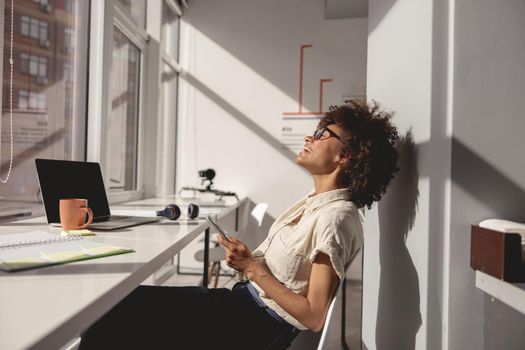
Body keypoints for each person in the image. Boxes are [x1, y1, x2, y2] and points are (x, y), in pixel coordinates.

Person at [79, 100, 399, 350]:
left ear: (346, 155)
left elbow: (314, 316)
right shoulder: (316, 202)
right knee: (115, 306)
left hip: (249, 329)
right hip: (238, 306)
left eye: (321, 134)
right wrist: (249, 261)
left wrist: (252, 268)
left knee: (112, 317)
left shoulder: (336, 218)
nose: (309, 137)